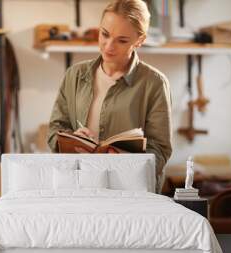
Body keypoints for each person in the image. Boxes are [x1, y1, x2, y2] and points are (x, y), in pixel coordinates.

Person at [47, 0, 172, 192]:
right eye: (104, 34)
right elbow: (55, 130)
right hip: (80, 187)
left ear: (140, 40)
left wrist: (123, 163)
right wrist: (71, 140)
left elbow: (161, 150)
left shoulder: (154, 83)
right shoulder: (75, 75)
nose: (108, 46)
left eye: (122, 40)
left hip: (132, 193)